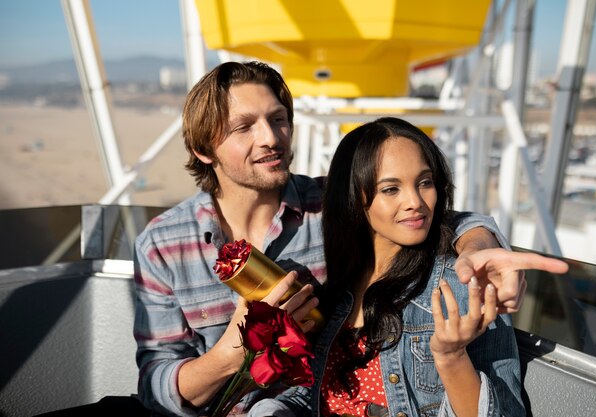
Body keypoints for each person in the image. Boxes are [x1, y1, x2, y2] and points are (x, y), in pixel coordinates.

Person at [133, 62, 566, 416]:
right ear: (204, 150)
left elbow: (421, 216)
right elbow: (157, 386)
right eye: (244, 126)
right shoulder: (162, 244)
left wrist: (477, 246)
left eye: (279, 119)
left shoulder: (333, 206)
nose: (271, 138)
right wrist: (232, 352)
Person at [248, 118, 564, 417]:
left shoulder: (460, 283)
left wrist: (451, 358)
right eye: (391, 189)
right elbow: (326, 391)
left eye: (425, 182)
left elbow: (505, 411)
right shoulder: (338, 282)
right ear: (354, 199)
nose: (416, 201)